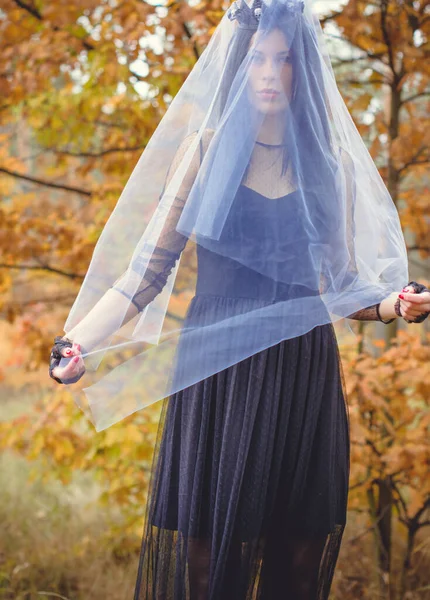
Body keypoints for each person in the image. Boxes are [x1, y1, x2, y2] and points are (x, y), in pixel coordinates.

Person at [48, 1, 430, 598]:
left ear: (303, 69)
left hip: (302, 373)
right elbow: (144, 274)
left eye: (284, 60)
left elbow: (347, 288)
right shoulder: (202, 153)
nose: (270, 73)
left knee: (297, 560)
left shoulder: (330, 169)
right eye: (257, 58)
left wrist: (395, 306)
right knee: (206, 563)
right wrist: (77, 343)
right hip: (218, 375)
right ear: (240, 66)